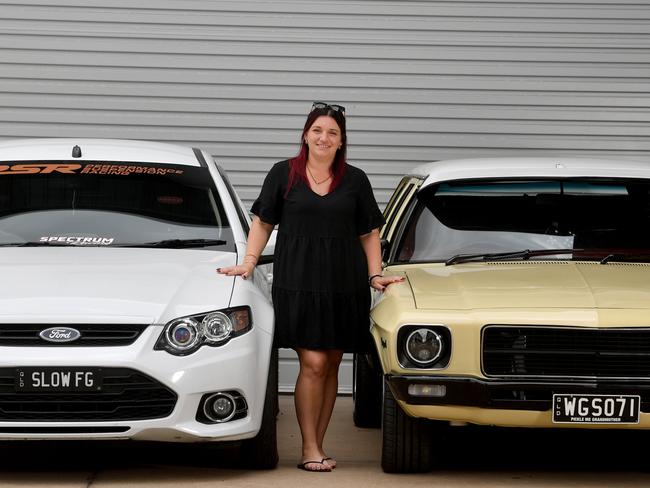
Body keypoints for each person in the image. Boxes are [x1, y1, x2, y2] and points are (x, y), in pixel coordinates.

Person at [218, 102, 404, 472]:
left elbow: (369, 234)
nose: (324, 137)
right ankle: (308, 447)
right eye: (318, 130)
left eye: (332, 133)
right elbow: (263, 222)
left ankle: (318, 443)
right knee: (314, 361)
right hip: (299, 282)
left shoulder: (355, 179)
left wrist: (375, 275)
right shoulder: (283, 174)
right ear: (305, 135)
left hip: (344, 283)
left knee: (332, 362)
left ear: (341, 142)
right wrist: (249, 263)